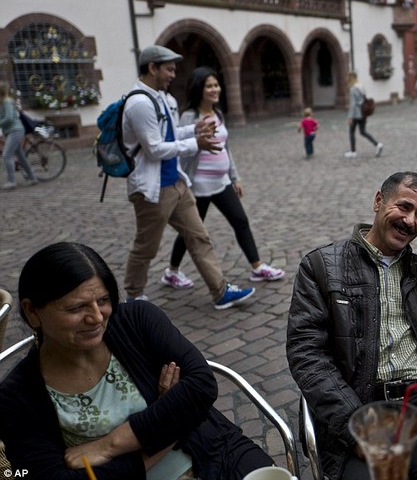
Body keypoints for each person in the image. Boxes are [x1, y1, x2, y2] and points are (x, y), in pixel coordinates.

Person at [0, 242, 275, 479]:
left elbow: (202, 385)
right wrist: (171, 419)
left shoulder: (136, 320)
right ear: (32, 312)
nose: (96, 317)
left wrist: (109, 445)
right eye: (77, 307)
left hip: (215, 451)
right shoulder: (16, 397)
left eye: (104, 300)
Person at [286, 172, 417, 480]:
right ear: (378, 201)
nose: (410, 221)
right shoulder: (321, 267)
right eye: (404, 207)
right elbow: (306, 354)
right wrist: (354, 425)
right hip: (359, 406)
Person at [121, 45, 255, 310]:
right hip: (152, 189)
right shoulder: (139, 103)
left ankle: (220, 292)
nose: (173, 74)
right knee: (146, 246)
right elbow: (155, 148)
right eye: (169, 69)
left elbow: (172, 135)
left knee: (199, 237)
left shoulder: (165, 99)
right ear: (152, 68)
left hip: (177, 183)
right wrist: (196, 142)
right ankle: (133, 295)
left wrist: (194, 128)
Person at [164, 66, 285, 291]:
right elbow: (181, 150)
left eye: (216, 85)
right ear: (199, 89)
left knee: (240, 221)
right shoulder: (190, 117)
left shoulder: (218, 114)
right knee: (190, 232)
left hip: (222, 183)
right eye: (209, 85)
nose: (215, 89)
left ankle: (257, 267)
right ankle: (171, 271)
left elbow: (225, 149)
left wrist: (234, 177)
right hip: (198, 186)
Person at [0, 81, 37, 190]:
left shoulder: (6, 102)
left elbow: (9, 118)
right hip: (11, 131)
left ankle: (11, 182)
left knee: (7, 155)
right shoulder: (2, 102)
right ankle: (33, 178)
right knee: (21, 156)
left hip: (15, 130)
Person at [345, 72, 383, 158]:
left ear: (351, 78)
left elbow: (353, 104)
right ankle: (377, 144)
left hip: (356, 114)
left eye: (348, 78)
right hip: (363, 113)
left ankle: (353, 151)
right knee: (363, 131)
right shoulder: (361, 87)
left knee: (351, 132)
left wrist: (350, 117)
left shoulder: (353, 89)